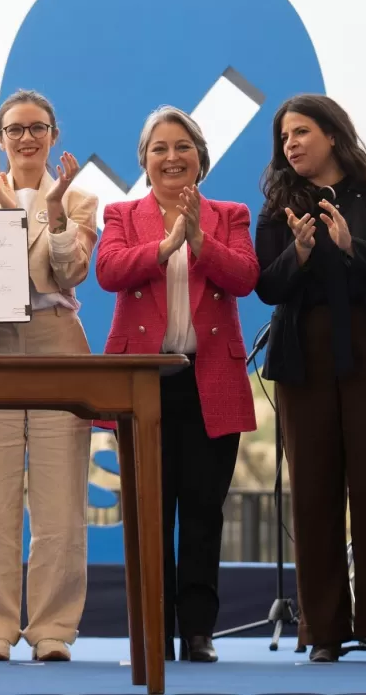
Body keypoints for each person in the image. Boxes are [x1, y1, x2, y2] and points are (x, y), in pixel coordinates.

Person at [254, 94, 366, 664]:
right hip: (305, 358)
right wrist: (298, 254)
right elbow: (267, 288)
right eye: (284, 138)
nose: (291, 145)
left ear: (331, 133)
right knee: (314, 491)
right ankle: (324, 630)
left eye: (301, 132)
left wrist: (356, 248)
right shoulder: (280, 202)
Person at [95, 106, 258, 663]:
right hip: (142, 382)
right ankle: (151, 631)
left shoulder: (230, 214)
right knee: (149, 511)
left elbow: (245, 278)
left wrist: (200, 240)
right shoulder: (121, 214)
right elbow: (109, 272)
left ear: (201, 158)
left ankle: (198, 631)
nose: (171, 157)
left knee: (204, 511)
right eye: (159, 148)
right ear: (144, 161)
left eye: (182, 146)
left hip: (210, 377)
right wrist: (165, 246)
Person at [0, 90, 97, 663]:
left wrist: (53, 209)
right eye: (15, 129)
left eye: (38, 128)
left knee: (62, 496)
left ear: (54, 135)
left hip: (57, 340)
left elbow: (71, 271)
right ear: (0, 137)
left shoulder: (81, 200)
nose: (27, 138)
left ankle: (54, 628)